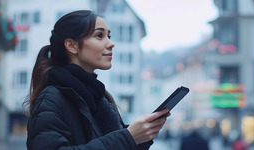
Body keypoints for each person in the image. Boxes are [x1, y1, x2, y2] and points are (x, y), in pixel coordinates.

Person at [24, 10, 170, 150]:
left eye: (109, 36)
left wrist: (141, 137)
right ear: (71, 45)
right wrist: (128, 137)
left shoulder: (98, 97)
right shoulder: (51, 99)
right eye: (99, 35)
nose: (111, 44)